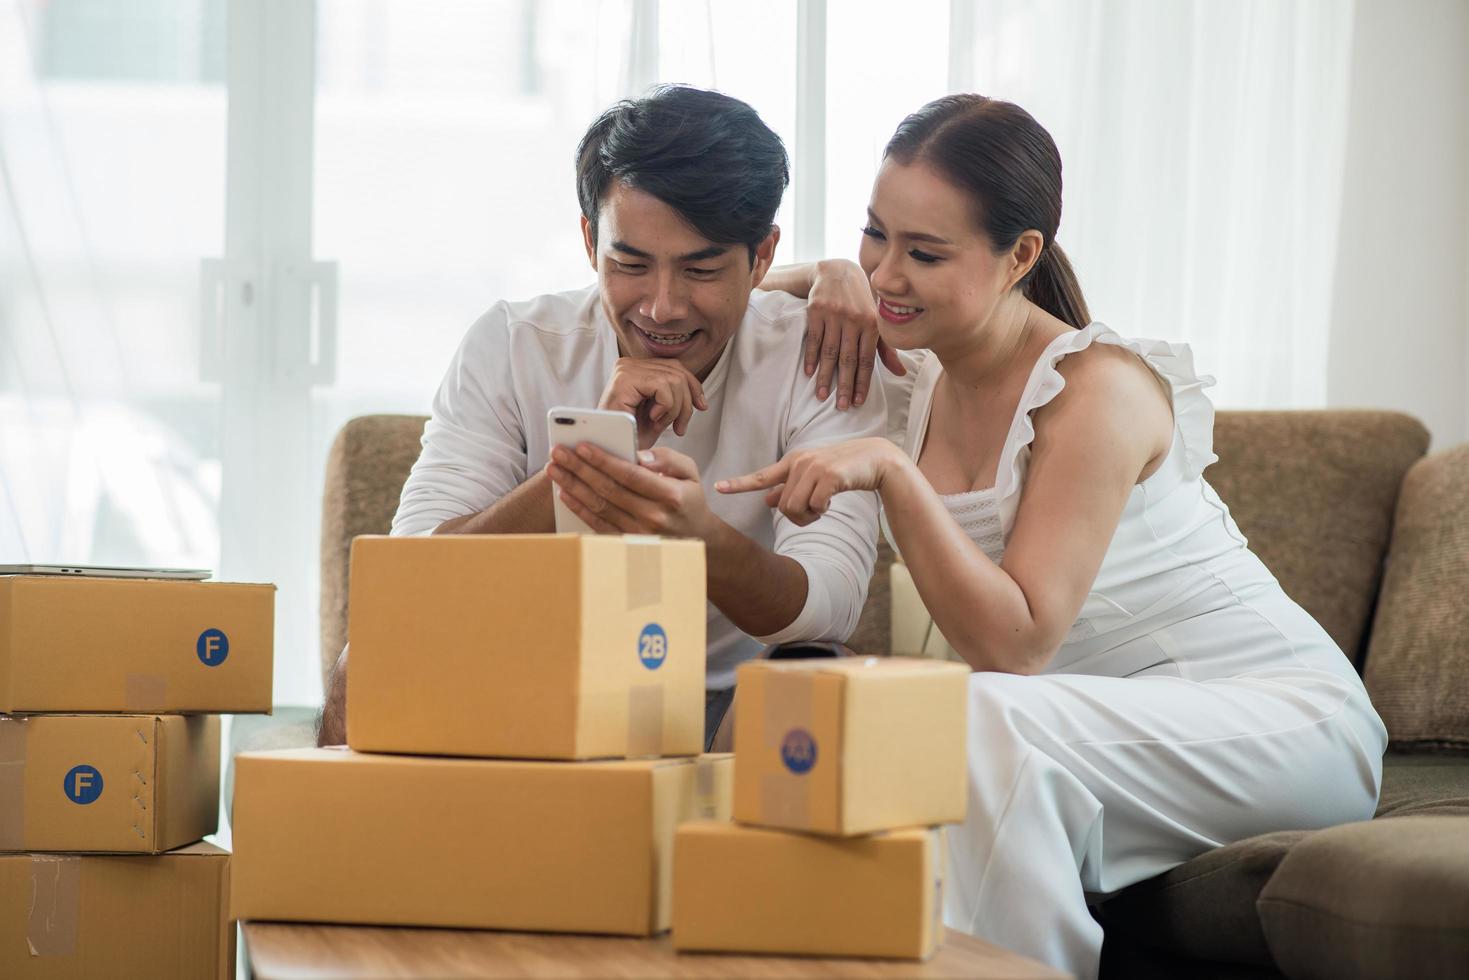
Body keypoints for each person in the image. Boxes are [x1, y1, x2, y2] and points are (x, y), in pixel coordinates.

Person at [724, 94, 1386, 978]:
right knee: (940, 738)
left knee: (966, 715)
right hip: (1090, 725)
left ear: (1020, 256)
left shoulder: (1094, 388)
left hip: (1278, 718)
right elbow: (728, 295)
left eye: (924, 252)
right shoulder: (912, 371)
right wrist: (826, 273)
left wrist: (890, 472)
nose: (885, 274)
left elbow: (1014, 645)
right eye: (873, 234)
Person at [316, 85, 888, 749]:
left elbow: (827, 603)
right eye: (630, 264)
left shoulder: (816, 352)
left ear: (761, 256)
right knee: (370, 659)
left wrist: (699, 539)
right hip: (534, 686)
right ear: (590, 242)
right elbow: (411, 580)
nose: (663, 307)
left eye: (700, 269)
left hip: (735, 702)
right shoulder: (515, 344)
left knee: (815, 681)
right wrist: (583, 467)